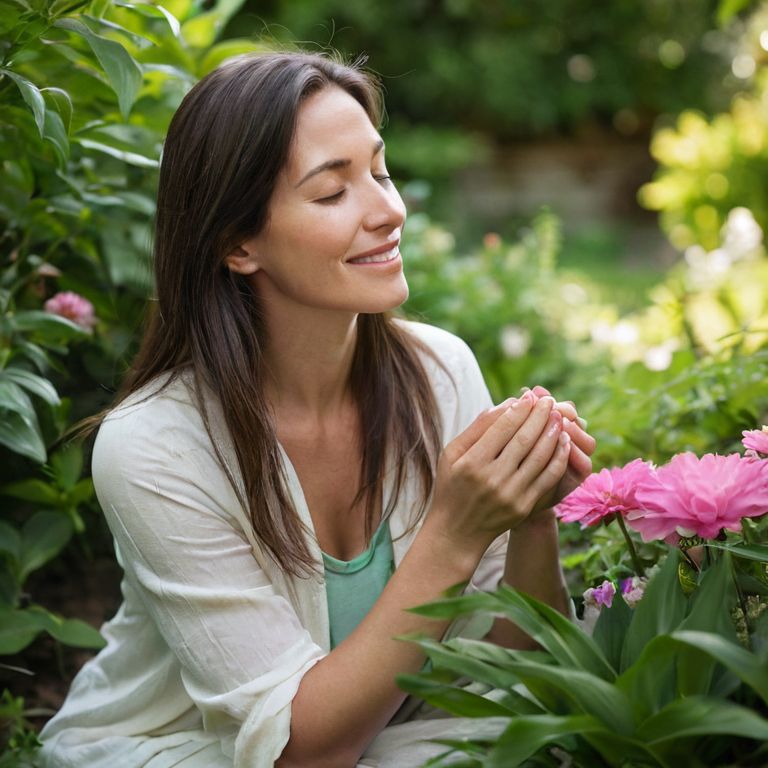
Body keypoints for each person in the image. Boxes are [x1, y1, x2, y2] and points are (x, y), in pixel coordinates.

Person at [38, 51, 595, 768]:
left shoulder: (441, 372)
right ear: (237, 243)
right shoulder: (153, 445)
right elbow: (299, 752)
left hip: (397, 740)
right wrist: (455, 532)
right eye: (333, 193)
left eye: (380, 173)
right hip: (187, 751)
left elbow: (513, 673)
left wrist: (530, 515)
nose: (389, 211)